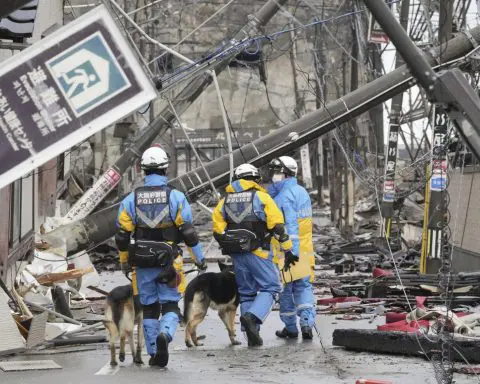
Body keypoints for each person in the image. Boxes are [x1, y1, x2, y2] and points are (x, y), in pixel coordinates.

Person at [115, 146, 207, 367]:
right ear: (165, 169)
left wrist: (125, 262)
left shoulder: (130, 200)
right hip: (169, 262)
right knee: (170, 305)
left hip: (141, 261)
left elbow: (121, 237)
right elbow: (188, 232)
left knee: (148, 307)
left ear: (143, 170)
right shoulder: (175, 196)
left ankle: (155, 354)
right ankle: (165, 334)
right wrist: (199, 258)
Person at [212, 163, 297, 347]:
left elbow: (217, 229)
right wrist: (288, 248)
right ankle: (253, 317)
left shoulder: (224, 201)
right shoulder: (262, 197)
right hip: (259, 252)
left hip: (236, 254)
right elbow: (277, 226)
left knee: (247, 292)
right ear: (255, 179)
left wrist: (231, 244)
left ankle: (251, 334)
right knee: (272, 287)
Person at [268, 156, 316, 340]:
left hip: (287, 252)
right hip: (304, 249)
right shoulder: (301, 192)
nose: (274, 175)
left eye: (277, 172)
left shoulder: (282, 196)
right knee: (303, 287)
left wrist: (289, 252)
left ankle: (290, 327)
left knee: (286, 290)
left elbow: (290, 227)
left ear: (285, 173)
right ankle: (306, 323)